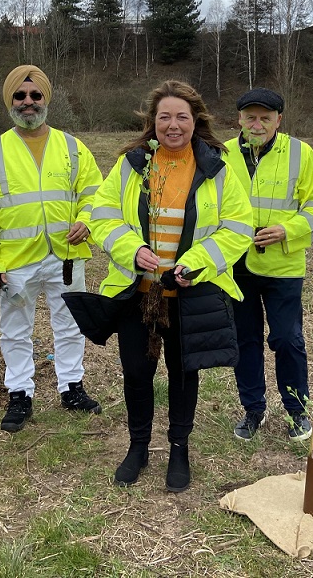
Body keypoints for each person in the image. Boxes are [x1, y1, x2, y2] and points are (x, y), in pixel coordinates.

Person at [88, 80, 253, 492]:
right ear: (152, 122)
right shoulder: (132, 163)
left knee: (183, 374)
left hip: (189, 296)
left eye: (182, 117)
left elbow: (238, 228)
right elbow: (102, 215)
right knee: (137, 373)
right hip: (138, 295)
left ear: (195, 121)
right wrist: (132, 249)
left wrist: (194, 263)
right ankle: (138, 447)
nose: (173, 125)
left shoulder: (217, 167)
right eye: (165, 117)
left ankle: (179, 448)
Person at [0, 64, 103, 433]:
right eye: (20, 96)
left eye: (35, 95)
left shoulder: (73, 148)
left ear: (46, 99)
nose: (28, 102)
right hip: (15, 263)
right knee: (14, 330)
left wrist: (87, 221)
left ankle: (72, 388)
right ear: (10, 102)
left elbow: (95, 193)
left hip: (66, 257)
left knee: (72, 324)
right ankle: (20, 395)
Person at [223, 88, 313, 443]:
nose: (257, 124)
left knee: (287, 339)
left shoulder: (301, 154)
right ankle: (253, 408)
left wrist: (287, 230)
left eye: (265, 118)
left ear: (278, 120)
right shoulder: (221, 154)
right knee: (246, 339)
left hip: (283, 267)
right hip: (236, 265)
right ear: (239, 119)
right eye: (250, 117)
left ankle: (297, 410)